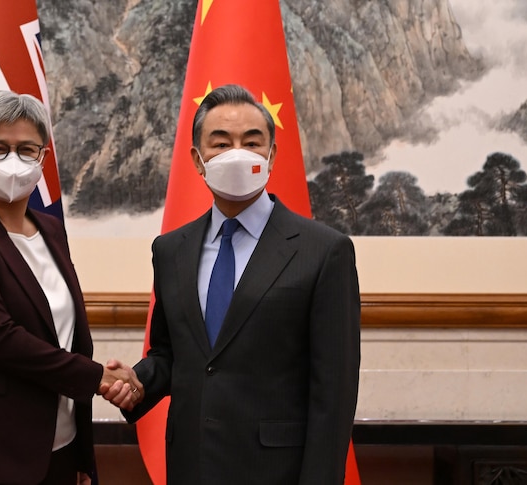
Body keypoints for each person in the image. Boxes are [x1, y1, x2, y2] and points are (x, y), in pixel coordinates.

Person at [113, 84, 360, 484]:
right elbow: (173, 352)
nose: (237, 153)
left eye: (252, 141)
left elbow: (334, 394)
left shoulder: (324, 251)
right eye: (221, 142)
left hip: (276, 471)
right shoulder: (171, 250)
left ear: (272, 154)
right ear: (197, 159)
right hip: (190, 466)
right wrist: (138, 383)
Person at [0, 90, 141, 485]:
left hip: (55, 452)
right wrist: (99, 378)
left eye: (26, 149)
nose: (13, 161)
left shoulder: (51, 230)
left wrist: (79, 454)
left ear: (42, 159)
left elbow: (67, 338)